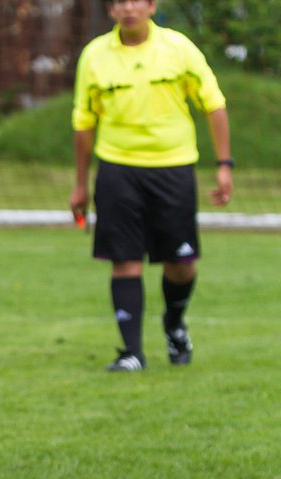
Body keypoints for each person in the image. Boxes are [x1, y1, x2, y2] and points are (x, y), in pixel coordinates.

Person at [69, 0, 232, 372]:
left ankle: (174, 324)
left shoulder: (179, 48)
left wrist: (224, 165)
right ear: (111, 10)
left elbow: (214, 104)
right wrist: (80, 184)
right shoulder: (94, 56)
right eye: (119, 2)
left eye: (136, 0)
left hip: (172, 168)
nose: (128, 8)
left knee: (180, 264)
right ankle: (131, 353)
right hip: (116, 169)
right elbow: (83, 121)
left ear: (151, 5)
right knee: (124, 259)